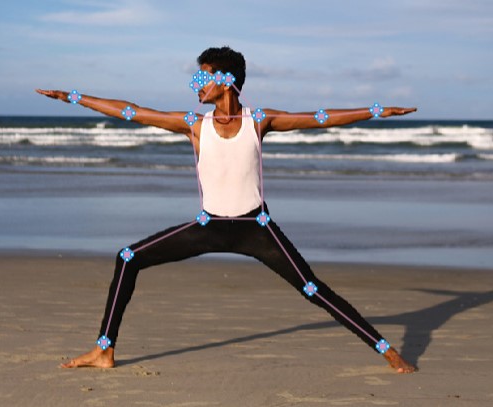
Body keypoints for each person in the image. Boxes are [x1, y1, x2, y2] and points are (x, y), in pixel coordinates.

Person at [36, 46, 417, 373]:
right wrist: (75, 97)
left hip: (257, 229)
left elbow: (320, 118)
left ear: (226, 79)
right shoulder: (194, 125)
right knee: (128, 257)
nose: (197, 86)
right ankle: (105, 350)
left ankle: (387, 351)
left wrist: (376, 110)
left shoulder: (259, 120)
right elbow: (131, 112)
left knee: (313, 289)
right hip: (209, 226)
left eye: (202, 77)